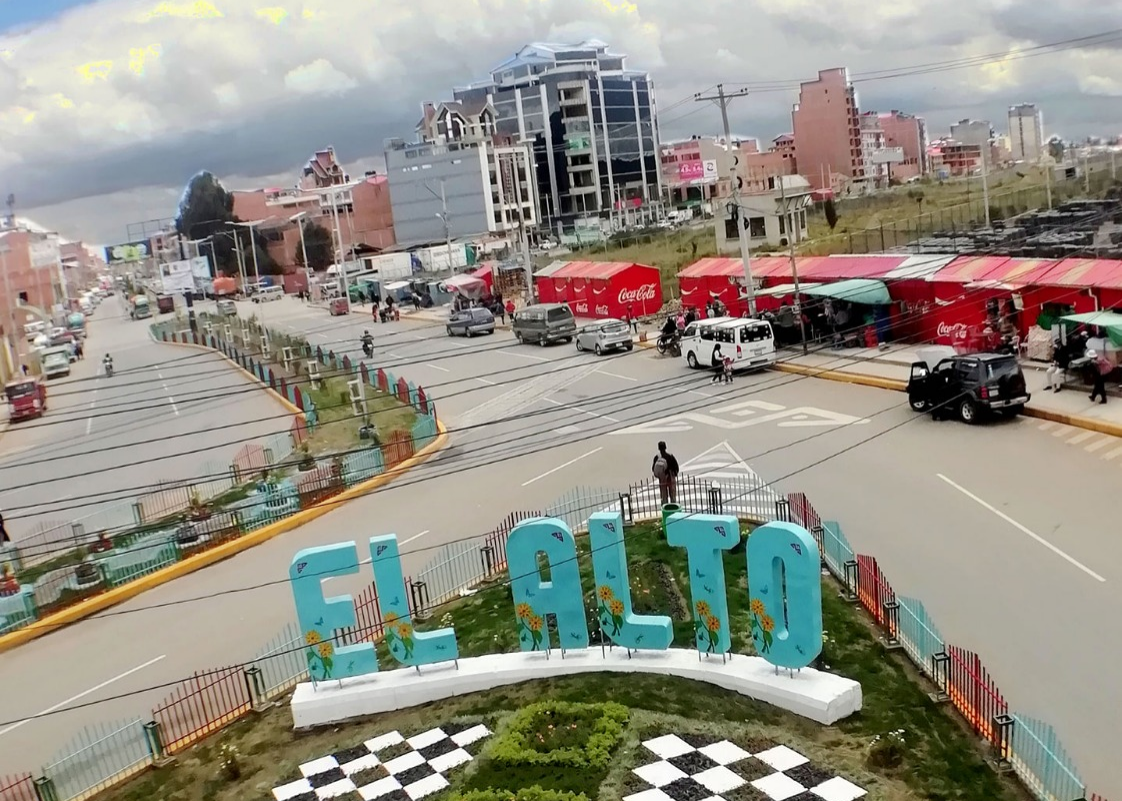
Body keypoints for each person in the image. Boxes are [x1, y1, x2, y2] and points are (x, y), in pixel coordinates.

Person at [652, 441, 680, 506]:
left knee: (664, 495)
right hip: (670, 477)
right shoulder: (670, 456)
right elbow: (676, 467)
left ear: (659, 448)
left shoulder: (657, 457)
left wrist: (659, 474)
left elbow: (653, 468)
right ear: (665, 447)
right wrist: (674, 473)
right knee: (672, 495)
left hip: (662, 478)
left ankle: (665, 507)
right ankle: (673, 507)